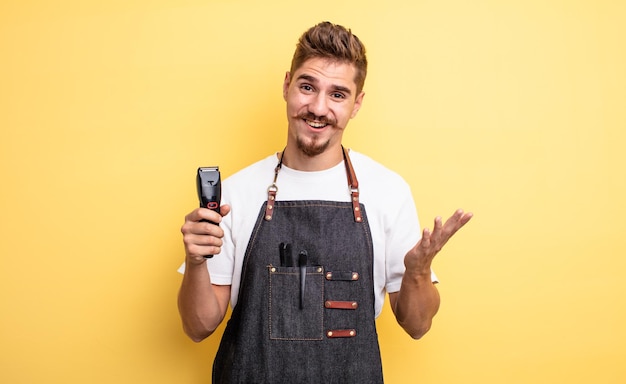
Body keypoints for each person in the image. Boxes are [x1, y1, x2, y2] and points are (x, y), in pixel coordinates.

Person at [178, 21, 473, 383]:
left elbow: (417, 324)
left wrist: (417, 272)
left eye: (337, 94)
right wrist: (196, 262)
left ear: (357, 103)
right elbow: (198, 327)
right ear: (287, 85)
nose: (318, 107)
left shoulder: (387, 190)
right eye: (307, 87)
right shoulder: (236, 194)